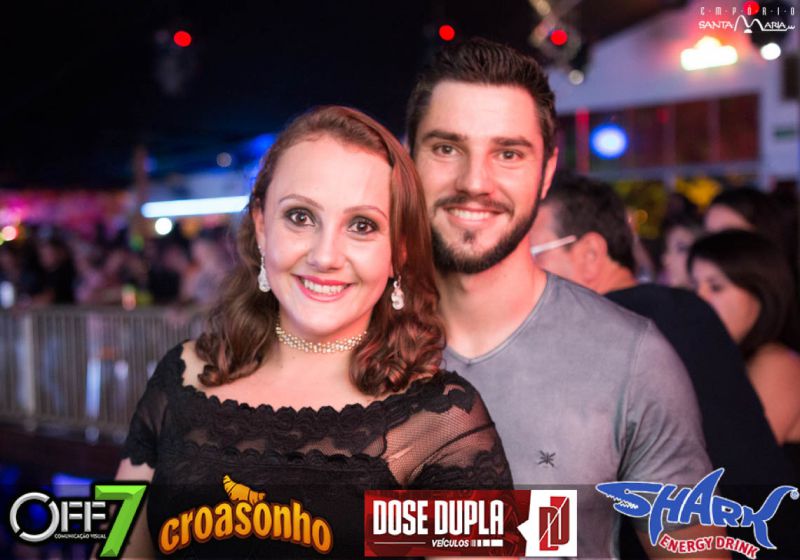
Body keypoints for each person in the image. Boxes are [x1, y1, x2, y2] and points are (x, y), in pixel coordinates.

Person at [115, 106, 511, 558]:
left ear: (398, 251)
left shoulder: (441, 421)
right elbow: (112, 548)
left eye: (362, 226)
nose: (325, 256)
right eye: (300, 217)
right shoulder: (180, 375)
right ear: (261, 226)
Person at [406, 38, 715, 558]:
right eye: (446, 148)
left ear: (547, 171)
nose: (474, 181)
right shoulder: (346, 341)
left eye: (508, 153)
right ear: (408, 159)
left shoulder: (631, 358)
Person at [529, 174, 798, 556]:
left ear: (590, 253)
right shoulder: (682, 310)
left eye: (533, 252)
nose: (521, 272)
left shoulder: (605, 330)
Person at [689, 230, 800, 465]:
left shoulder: (777, 362)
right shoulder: (725, 358)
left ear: (759, 293)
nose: (700, 298)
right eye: (695, 286)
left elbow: (740, 456)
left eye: (716, 287)